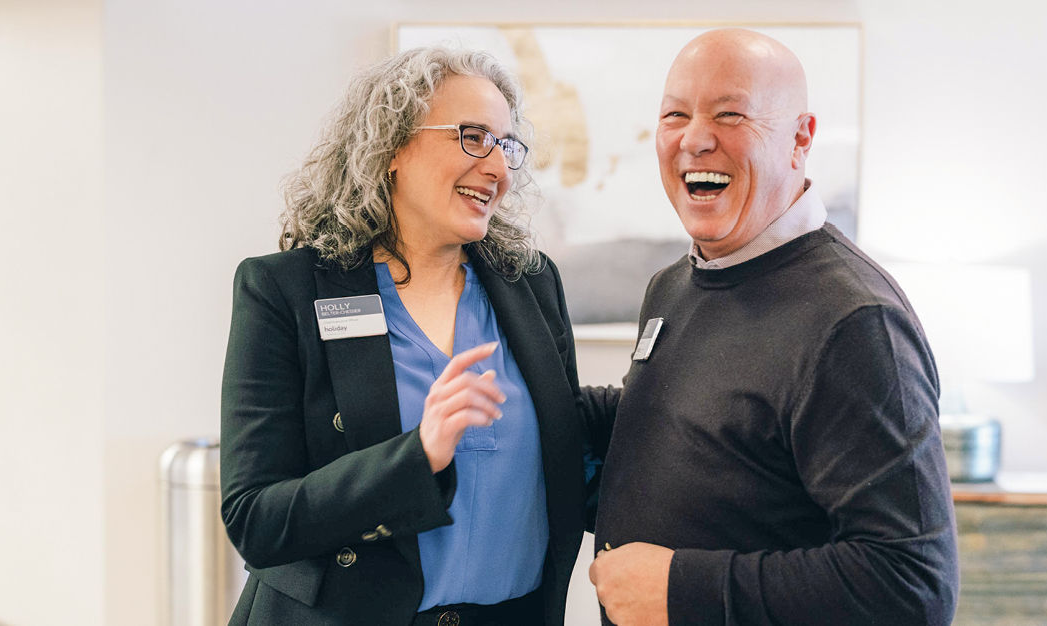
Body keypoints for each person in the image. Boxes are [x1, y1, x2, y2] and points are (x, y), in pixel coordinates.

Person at [586, 29, 959, 625]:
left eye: (730, 114)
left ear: (800, 139)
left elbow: (911, 585)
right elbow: (703, 438)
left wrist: (683, 589)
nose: (695, 138)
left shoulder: (856, 322)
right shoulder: (674, 285)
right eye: (674, 115)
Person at [220, 47, 596, 625]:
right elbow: (257, 520)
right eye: (472, 137)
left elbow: (568, 451)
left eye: (506, 146)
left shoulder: (532, 284)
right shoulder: (284, 291)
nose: (497, 169)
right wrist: (414, 457)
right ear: (392, 146)